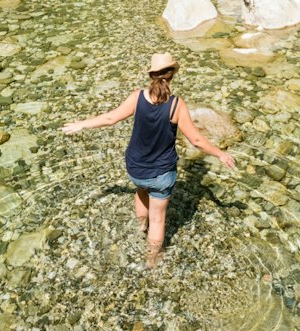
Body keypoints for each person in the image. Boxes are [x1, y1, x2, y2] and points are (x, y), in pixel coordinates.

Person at [61, 51, 236, 267]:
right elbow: (197, 140)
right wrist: (220, 153)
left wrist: (81, 124)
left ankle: (140, 227)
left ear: (151, 75)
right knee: (159, 219)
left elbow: (110, 118)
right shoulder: (176, 105)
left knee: (141, 190)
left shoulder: (137, 97)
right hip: (161, 173)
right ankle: (152, 259)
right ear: (171, 74)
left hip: (135, 169)